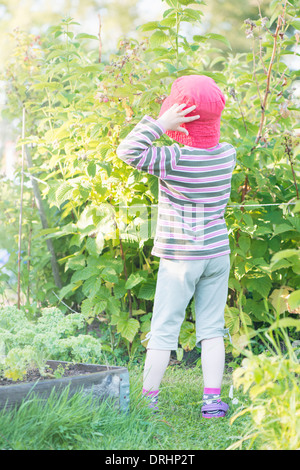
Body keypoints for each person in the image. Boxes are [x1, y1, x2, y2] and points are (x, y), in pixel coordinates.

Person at [116, 75, 236, 418]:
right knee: (212, 328)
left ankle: (147, 400)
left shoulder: (173, 159)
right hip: (216, 254)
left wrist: (159, 124)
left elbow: (127, 151)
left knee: (164, 328)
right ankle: (212, 402)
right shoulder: (227, 155)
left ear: (178, 117)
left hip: (181, 258)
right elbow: (210, 140)